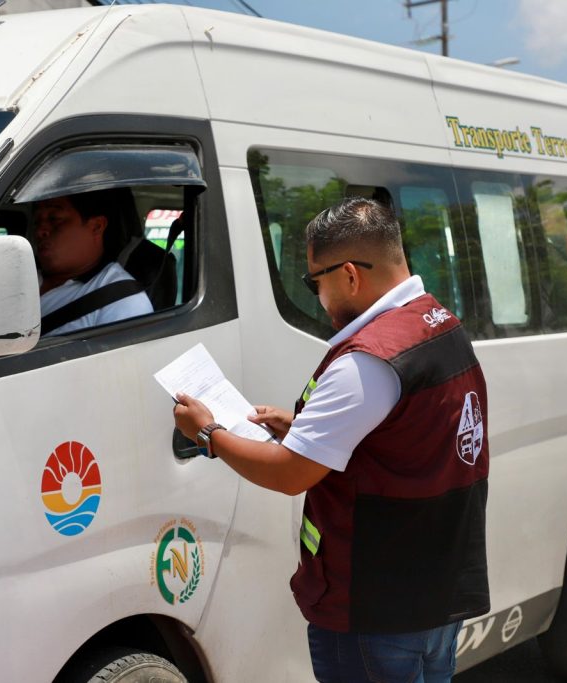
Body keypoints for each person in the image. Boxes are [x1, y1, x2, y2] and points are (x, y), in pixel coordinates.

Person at [172, 197, 489, 683]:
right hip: (434, 593)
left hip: (373, 608)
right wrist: (300, 426)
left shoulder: (369, 359)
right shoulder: (438, 322)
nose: (316, 295)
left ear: (349, 275)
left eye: (313, 280)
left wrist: (210, 432)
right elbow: (400, 440)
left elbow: (289, 474)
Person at [32, 189, 152, 336]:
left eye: (55, 219)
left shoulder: (123, 301)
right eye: (37, 222)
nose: (40, 231)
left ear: (96, 226)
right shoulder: (18, 275)